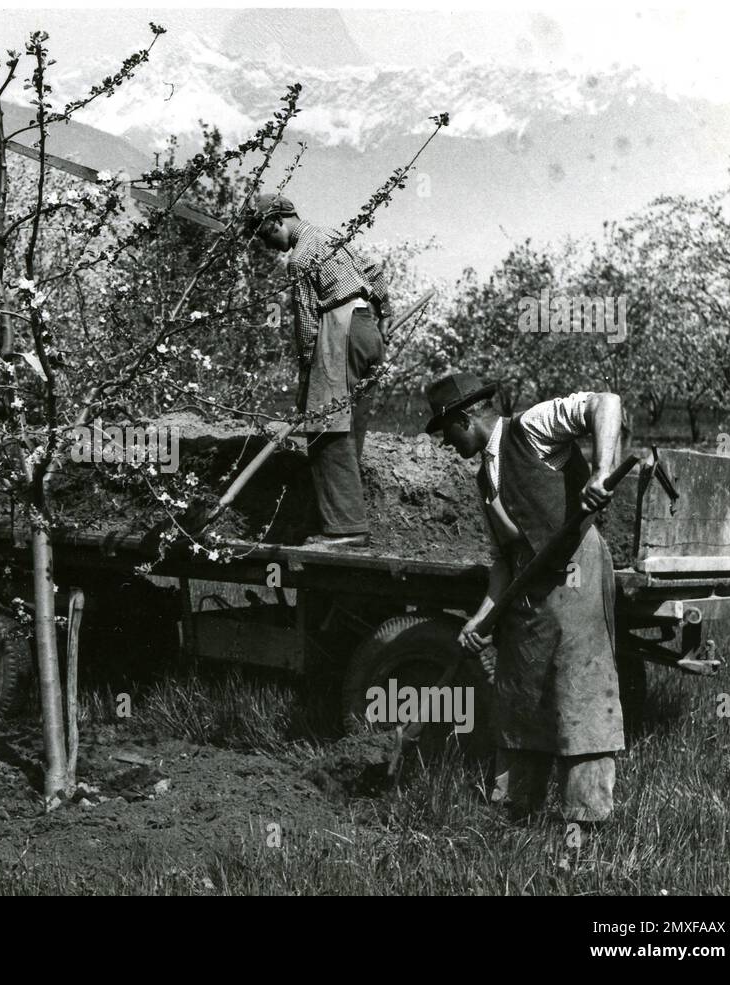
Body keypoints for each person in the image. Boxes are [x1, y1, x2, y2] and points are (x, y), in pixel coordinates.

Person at [423, 373, 625, 830]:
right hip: (529, 588)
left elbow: (606, 401)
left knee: (579, 690)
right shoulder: (484, 477)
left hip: (575, 573)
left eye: (446, 432)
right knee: (518, 689)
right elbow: (503, 561)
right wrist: (480, 622)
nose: (445, 444)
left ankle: (584, 821)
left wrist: (599, 472)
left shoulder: (531, 428)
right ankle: (515, 811)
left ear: (464, 418)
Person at [244, 193, 388, 548]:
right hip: (366, 325)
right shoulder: (329, 234)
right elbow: (374, 271)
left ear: (276, 221)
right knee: (351, 426)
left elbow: (307, 323)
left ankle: (346, 530)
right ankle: (338, 516)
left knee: (325, 428)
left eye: (264, 235)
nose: (268, 245)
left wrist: (308, 373)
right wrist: (383, 314)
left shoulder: (299, 258)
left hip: (338, 330)